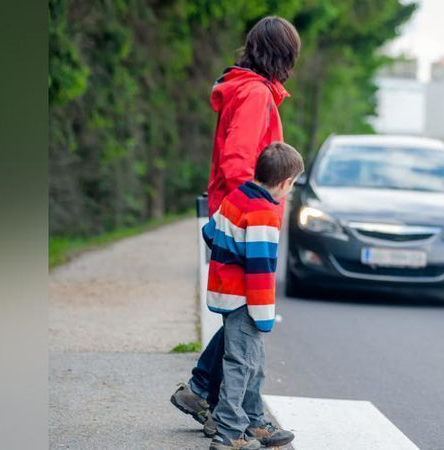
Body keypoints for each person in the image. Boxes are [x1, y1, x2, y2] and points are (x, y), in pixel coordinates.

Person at [169, 15, 300, 442]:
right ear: (284, 56)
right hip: (244, 219)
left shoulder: (246, 89)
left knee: (238, 320)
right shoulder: (255, 95)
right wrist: (256, 207)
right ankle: (238, 418)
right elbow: (238, 162)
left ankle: (203, 393)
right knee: (245, 320)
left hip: (233, 214)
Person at [203, 142, 304, 450]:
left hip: (225, 290)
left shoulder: (238, 196)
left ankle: (255, 421)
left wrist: (232, 249)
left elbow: (210, 231)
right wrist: (264, 316)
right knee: (241, 363)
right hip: (246, 299)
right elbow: (260, 270)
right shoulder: (264, 213)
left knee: (252, 361)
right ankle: (230, 430)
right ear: (285, 183)